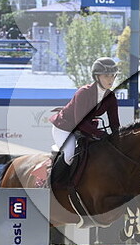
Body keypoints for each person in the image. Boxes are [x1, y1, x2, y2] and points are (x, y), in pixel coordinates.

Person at [49, 57, 120, 185]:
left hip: (85, 129)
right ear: (97, 77)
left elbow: (114, 123)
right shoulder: (84, 92)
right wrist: (100, 134)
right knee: (70, 155)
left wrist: (118, 139)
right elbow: (80, 122)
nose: (110, 80)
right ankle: (51, 183)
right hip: (65, 128)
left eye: (112, 76)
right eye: (106, 76)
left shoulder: (111, 97)